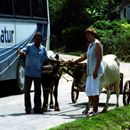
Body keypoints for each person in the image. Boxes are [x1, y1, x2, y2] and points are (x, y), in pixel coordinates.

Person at [73, 28, 104, 115]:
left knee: (94, 91)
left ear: (93, 35)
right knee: (88, 90)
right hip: (90, 71)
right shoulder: (90, 45)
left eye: (89, 35)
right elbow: (85, 56)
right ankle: (93, 108)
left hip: (96, 71)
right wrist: (75, 61)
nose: (87, 37)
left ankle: (95, 110)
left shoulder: (97, 44)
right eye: (86, 35)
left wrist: (95, 71)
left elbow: (99, 58)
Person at [18, 32, 48, 114]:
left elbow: (47, 59)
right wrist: (21, 52)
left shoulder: (43, 49)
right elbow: (21, 51)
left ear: (41, 40)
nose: (37, 40)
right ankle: (28, 108)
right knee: (27, 91)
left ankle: (37, 108)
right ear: (34, 39)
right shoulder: (29, 47)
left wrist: (56, 61)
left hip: (38, 74)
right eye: (36, 39)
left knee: (38, 92)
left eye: (39, 39)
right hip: (28, 73)